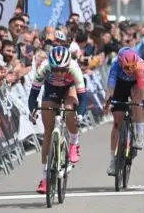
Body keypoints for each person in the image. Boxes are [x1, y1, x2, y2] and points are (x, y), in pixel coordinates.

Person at [28, 46, 85, 194]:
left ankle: (74, 142)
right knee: (48, 131)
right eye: (55, 70)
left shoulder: (74, 68)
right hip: (51, 90)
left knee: (69, 107)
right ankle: (44, 178)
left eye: (62, 70)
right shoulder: (44, 68)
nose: (59, 73)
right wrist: (33, 110)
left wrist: (80, 114)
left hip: (69, 88)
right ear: (50, 66)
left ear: (68, 66)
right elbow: (33, 94)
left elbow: (82, 96)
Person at [104, 47, 144, 175]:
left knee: (137, 100)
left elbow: (142, 88)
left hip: (135, 85)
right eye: (126, 68)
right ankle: (113, 160)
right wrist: (107, 101)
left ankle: (139, 134)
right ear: (120, 64)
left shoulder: (139, 66)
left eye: (132, 67)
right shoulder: (115, 66)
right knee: (117, 123)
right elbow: (110, 87)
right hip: (120, 86)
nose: (130, 70)